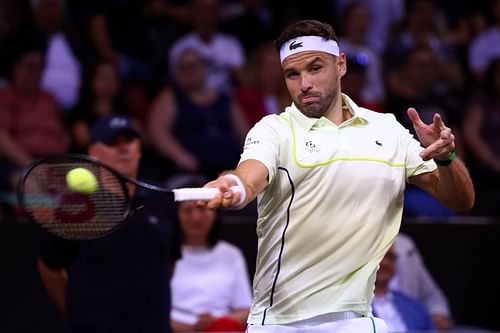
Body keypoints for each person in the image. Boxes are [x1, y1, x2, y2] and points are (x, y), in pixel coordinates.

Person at [199, 19, 475, 333]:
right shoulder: (273, 130)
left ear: (340, 64)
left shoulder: (387, 130)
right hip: (279, 323)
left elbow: (460, 200)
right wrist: (233, 184)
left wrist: (446, 157)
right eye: (293, 74)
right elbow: (249, 176)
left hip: (354, 320)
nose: (303, 84)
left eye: (315, 68)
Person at [37, 115, 181, 333]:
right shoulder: (73, 207)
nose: (123, 148)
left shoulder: (161, 199)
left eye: (129, 141)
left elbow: (169, 264)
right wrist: (74, 314)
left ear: (139, 148)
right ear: (93, 152)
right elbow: (49, 269)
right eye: (112, 142)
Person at [168, 175, 252, 332]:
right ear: (176, 216)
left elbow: (246, 310)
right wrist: (191, 329)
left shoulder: (231, 254)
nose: (196, 217)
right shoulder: (165, 254)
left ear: (215, 212)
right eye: (187, 210)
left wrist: (216, 323)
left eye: (202, 208)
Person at [391, 233, 452, 330]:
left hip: (411, 323)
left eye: (390, 257)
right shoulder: (360, 239)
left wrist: (438, 314)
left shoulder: (405, 245)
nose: (385, 263)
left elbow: (431, 294)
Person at [372, 245, 436, 332]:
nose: (385, 263)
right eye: (380, 256)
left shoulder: (416, 308)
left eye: (390, 257)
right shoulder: (352, 307)